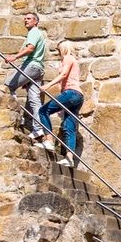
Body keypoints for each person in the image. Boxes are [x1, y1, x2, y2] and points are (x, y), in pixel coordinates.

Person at [4, 12, 54, 149]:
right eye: (25, 18)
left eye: (29, 18)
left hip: (31, 65)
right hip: (38, 69)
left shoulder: (33, 32)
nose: (26, 20)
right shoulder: (39, 34)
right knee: (34, 99)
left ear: (36, 21)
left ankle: (16, 116)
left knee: (8, 85)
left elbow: (30, 48)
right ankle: (38, 129)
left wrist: (14, 57)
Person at [43, 39, 85, 167]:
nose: (58, 52)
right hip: (78, 96)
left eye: (59, 49)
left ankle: (49, 141)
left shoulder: (68, 58)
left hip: (71, 93)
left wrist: (47, 86)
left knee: (43, 111)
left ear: (64, 48)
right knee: (69, 127)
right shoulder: (72, 60)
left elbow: (64, 74)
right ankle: (69, 158)